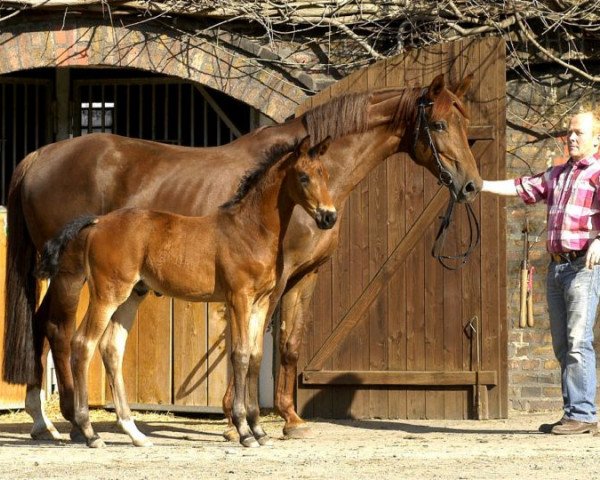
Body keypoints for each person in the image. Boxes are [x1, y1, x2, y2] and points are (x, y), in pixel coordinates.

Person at [482, 111, 600, 435]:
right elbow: (522, 186)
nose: (572, 137)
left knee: (578, 340)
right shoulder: (558, 174)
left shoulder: (598, 173)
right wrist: (480, 184)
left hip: (582, 269)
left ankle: (584, 415)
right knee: (562, 345)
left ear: (595, 139)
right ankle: (573, 413)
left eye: (578, 132)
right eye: (569, 132)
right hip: (557, 267)